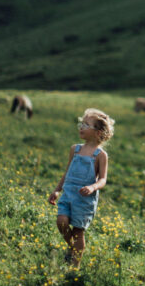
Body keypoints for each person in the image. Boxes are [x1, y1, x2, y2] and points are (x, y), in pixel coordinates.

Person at [48, 108, 115, 267]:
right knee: (61, 222)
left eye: (86, 124)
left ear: (98, 132)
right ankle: (72, 249)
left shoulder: (100, 155)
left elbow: (103, 179)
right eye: (81, 123)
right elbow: (67, 173)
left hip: (84, 200)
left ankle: (74, 266)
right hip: (68, 194)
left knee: (78, 232)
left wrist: (93, 187)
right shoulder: (75, 149)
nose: (81, 127)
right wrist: (57, 190)